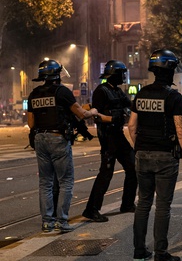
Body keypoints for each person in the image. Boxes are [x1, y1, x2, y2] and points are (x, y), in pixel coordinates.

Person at [128, 49, 182, 261]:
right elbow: (180, 130)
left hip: (142, 155)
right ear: (171, 71)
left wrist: (138, 147)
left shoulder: (141, 93)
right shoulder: (173, 97)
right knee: (163, 206)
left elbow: (131, 126)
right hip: (165, 156)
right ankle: (160, 253)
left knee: (143, 203)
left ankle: (139, 251)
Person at [27, 59, 98, 233]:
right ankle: (62, 221)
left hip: (40, 139)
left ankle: (47, 222)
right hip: (58, 138)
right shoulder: (62, 92)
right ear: (56, 74)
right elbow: (81, 114)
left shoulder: (34, 94)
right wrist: (93, 112)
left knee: (45, 182)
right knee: (66, 181)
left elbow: (31, 123)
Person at [83, 60, 137, 222]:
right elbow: (97, 116)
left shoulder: (118, 91)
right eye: (122, 74)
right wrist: (113, 118)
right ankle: (91, 209)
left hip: (118, 135)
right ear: (114, 74)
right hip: (108, 136)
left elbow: (131, 105)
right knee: (106, 173)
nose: (124, 77)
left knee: (133, 167)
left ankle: (127, 203)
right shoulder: (102, 91)